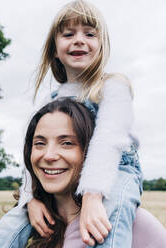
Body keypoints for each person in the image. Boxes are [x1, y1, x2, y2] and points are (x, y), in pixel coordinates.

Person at [18, 1, 142, 247]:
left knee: (109, 218)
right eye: (68, 34)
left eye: (89, 34)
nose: (78, 40)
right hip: (67, 177)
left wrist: (93, 195)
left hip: (118, 172)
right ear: (55, 49)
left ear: (102, 46)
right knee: (10, 224)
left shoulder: (113, 86)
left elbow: (108, 139)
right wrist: (29, 198)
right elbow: (32, 149)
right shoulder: (50, 100)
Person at [0, 99, 166, 248]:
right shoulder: (29, 223)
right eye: (40, 143)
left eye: (67, 143)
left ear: (91, 153)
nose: (49, 155)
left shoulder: (137, 225)